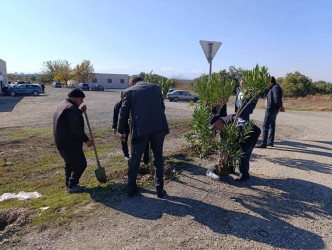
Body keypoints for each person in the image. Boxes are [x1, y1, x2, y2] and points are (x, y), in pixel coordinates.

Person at [117, 75, 169, 198]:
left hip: (141, 129)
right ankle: (159, 189)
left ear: (131, 83)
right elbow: (162, 107)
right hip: (159, 127)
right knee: (158, 157)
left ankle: (131, 189)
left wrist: (122, 131)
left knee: (135, 158)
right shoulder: (156, 88)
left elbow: (123, 113)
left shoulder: (129, 91)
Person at [53, 88, 93, 193]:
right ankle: (72, 184)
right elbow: (75, 128)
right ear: (73, 98)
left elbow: (69, 119)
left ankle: (69, 186)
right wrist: (86, 140)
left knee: (70, 164)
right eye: (80, 99)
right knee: (81, 164)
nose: (82, 102)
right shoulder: (70, 108)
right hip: (70, 143)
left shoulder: (64, 105)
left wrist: (80, 112)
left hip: (62, 141)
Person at [209, 113, 261, 181]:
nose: (214, 128)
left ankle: (244, 174)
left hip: (250, 135)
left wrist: (236, 128)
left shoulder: (233, 119)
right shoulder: (221, 128)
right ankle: (230, 169)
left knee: (243, 155)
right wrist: (220, 155)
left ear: (218, 121)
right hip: (238, 137)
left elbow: (244, 124)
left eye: (214, 126)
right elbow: (221, 142)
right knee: (230, 152)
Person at [112, 91, 150, 163]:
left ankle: (142, 155)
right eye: (123, 97)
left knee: (137, 139)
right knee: (123, 140)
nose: (124, 99)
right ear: (121, 97)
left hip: (133, 124)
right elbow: (115, 116)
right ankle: (126, 155)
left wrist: (133, 120)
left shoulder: (133, 103)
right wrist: (114, 126)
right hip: (123, 126)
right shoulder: (118, 105)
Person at [256, 76, 285, 148]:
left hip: (271, 109)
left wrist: (279, 106)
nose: (267, 84)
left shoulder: (275, 87)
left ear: (270, 82)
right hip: (273, 109)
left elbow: (276, 98)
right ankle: (270, 142)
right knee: (272, 124)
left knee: (265, 125)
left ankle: (263, 143)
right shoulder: (275, 87)